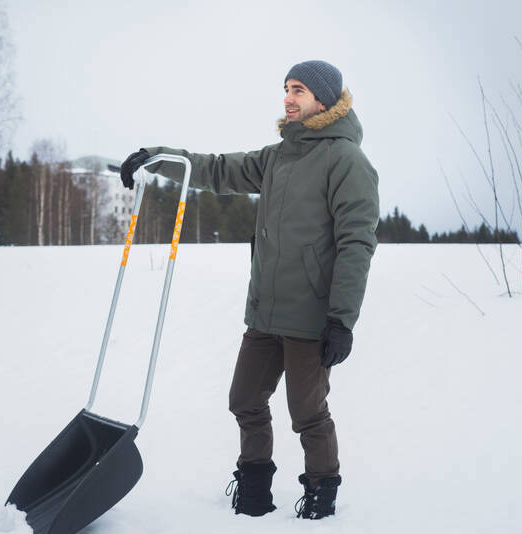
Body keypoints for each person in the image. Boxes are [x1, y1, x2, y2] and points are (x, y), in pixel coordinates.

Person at [119, 60, 379, 520]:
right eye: (286, 88)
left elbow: (356, 243)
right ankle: (255, 486)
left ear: (323, 100)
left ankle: (321, 493)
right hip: (264, 313)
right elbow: (217, 170)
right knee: (244, 400)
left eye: (298, 90)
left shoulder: (347, 161)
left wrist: (341, 320)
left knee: (308, 414)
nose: (288, 98)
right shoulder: (278, 156)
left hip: (310, 317)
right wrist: (156, 158)